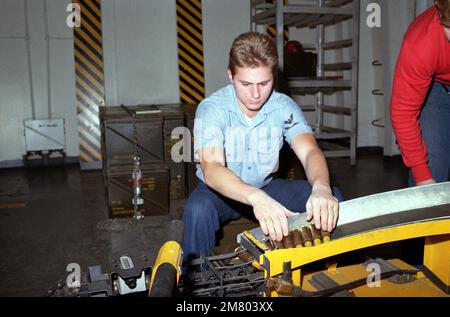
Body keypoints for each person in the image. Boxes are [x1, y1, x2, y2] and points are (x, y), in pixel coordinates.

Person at [182, 32, 343, 263]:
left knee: (332, 196)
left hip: (265, 186)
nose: (255, 94)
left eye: (264, 83)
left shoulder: (283, 107)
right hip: (219, 193)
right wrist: (256, 199)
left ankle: (325, 270)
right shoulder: (212, 109)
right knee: (197, 211)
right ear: (230, 75)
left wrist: (321, 187)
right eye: (246, 84)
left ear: (274, 77)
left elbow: (309, 152)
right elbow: (212, 167)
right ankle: (198, 287)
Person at [390, 0, 450, 187]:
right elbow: (403, 113)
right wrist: (423, 177)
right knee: (432, 169)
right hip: (438, 89)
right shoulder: (421, 40)